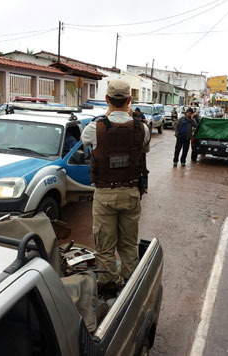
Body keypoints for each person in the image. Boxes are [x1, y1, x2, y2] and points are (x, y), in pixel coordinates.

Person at [81, 79, 150, 296]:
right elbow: (143, 148)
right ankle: (130, 288)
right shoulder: (142, 128)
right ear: (129, 100)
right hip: (131, 193)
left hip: (105, 194)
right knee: (129, 245)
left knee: (104, 246)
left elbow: (85, 144)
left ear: (107, 99)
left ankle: (109, 288)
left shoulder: (95, 128)